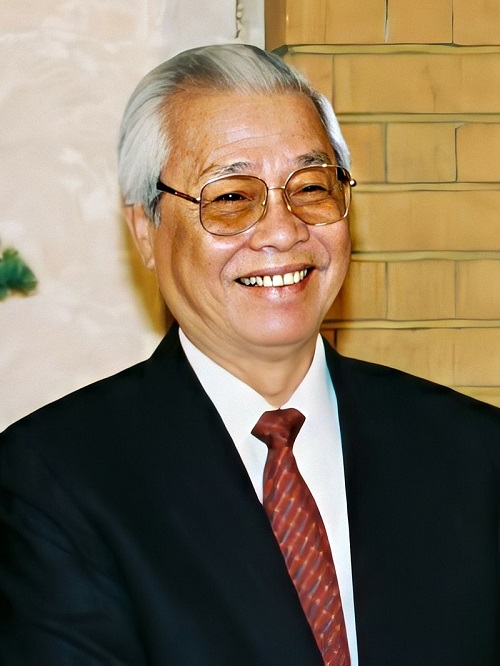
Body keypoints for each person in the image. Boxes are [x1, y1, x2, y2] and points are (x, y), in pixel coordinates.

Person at [1, 43, 499, 666]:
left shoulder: (474, 455)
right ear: (146, 231)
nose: (284, 230)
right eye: (232, 197)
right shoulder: (54, 481)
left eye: (311, 187)